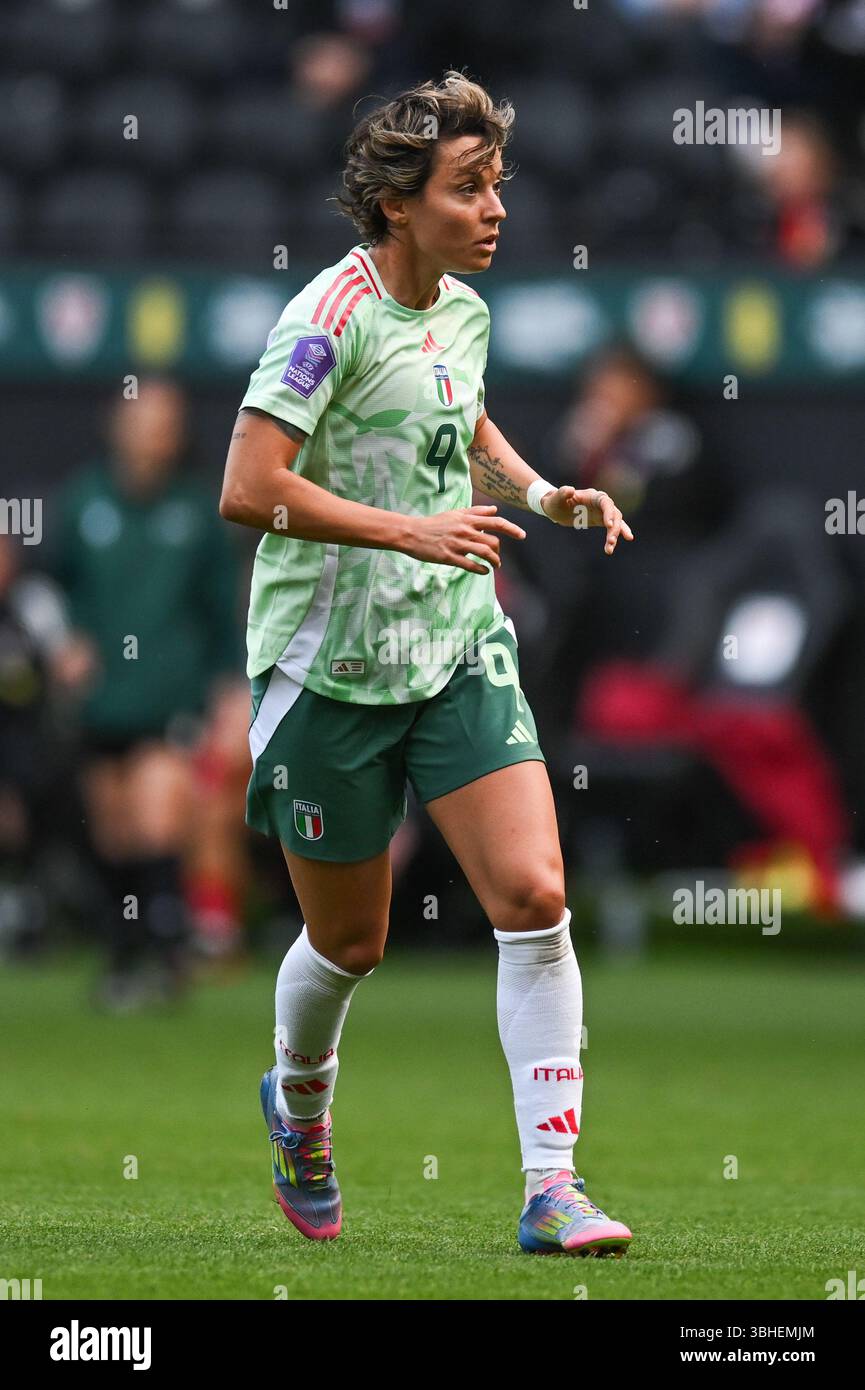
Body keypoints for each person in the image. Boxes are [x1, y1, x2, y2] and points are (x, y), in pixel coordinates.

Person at [220, 71, 635, 1256]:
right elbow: (248, 490)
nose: (495, 207)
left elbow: (462, 423)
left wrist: (541, 492)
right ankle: (299, 1103)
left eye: (498, 183)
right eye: (469, 188)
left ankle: (552, 1186)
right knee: (352, 944)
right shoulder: (324, 318)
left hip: (454, 641)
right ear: (398, 204)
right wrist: (409, 527)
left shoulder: (464, 306)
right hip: (328, 671)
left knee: (534, 896)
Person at [51, 378, 243, 1007]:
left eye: (167, 422)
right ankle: (124, 951)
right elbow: (44, 590)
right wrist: (63, 643)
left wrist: (230, 692)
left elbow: (225, 615)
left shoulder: (197, 513)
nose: (154, 434)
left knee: (159, 813)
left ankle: (166, 949)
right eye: (143, 419)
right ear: (118, 423)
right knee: (114, 832)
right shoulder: (84, 504)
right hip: (102, 703)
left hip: (170, 700)